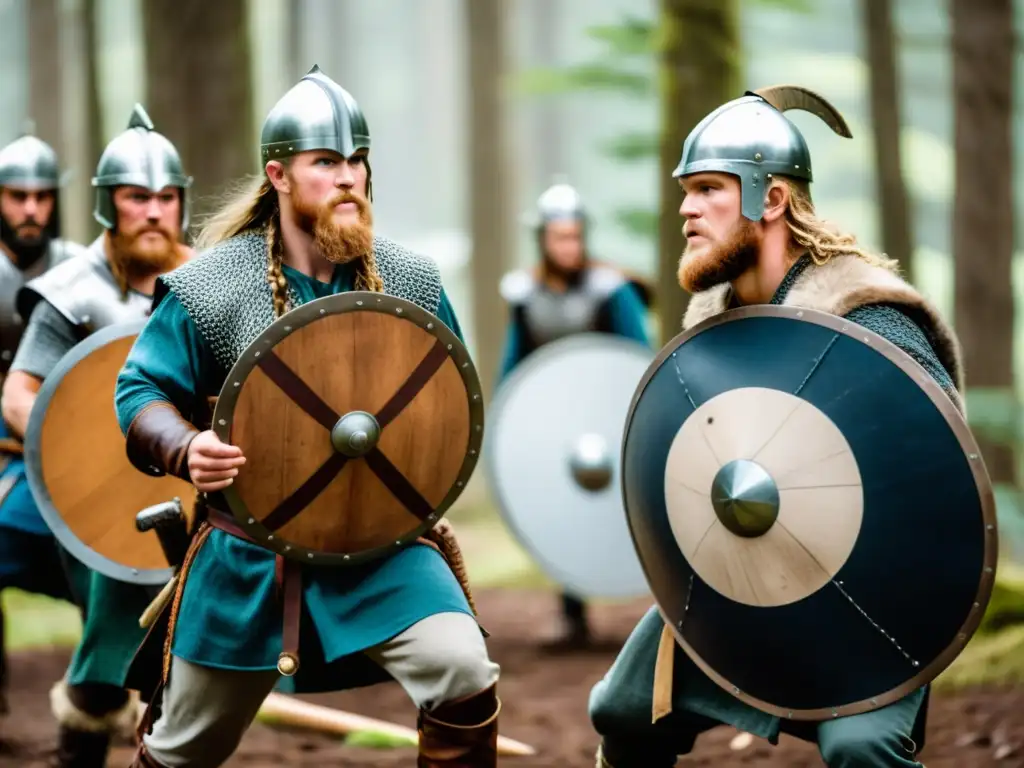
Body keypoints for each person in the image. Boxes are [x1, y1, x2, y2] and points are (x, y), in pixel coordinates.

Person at [113, 65, 501, 768]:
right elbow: (138, 390)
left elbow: (449, 403)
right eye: (326, 162)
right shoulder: (212, 285)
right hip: (247, 555)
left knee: (463, 673)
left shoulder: (410, 279)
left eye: (357, 160)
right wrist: (185, 445)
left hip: (383, 546)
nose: (349, 177)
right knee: (181, 748)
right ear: (280, 175)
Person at [588, 85, 963, 767]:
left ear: (772, 199)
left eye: (707, 189)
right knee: (622, 707)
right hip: (736, 579)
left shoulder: (864, 317)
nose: (686, 209)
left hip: (865, 598)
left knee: (864, 746)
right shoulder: (713, 321)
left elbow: (936, 473)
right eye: (685, 191)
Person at [1, 104, 194, 767]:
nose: (153, 212)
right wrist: (77, 449)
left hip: (193, 486)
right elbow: (21, 392)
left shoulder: (208, 287)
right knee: (116, 619)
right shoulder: (72, 290)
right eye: (138, 197)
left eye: (166, 198)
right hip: (85, 490)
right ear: (110, 204)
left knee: (182, 635)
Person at [496, 181, 652, 650]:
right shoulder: (525, 294)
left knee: (631, 508)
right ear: (543, 239)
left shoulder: (611, 290)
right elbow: (516, 366)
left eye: (574, 236)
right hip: (556, 419)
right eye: (559, 237)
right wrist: (511, 421)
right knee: (565, 508)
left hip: (607, 414)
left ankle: (657, 614)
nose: (568, 246)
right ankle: (572, 613)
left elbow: (635, 357)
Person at [0, 127, 87, 719]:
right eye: (16, 195)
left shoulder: (81, 272)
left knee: (111, 560)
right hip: (3, 459)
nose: (31, 209)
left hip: (68, 454)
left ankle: (111, 692)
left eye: (42, 196)